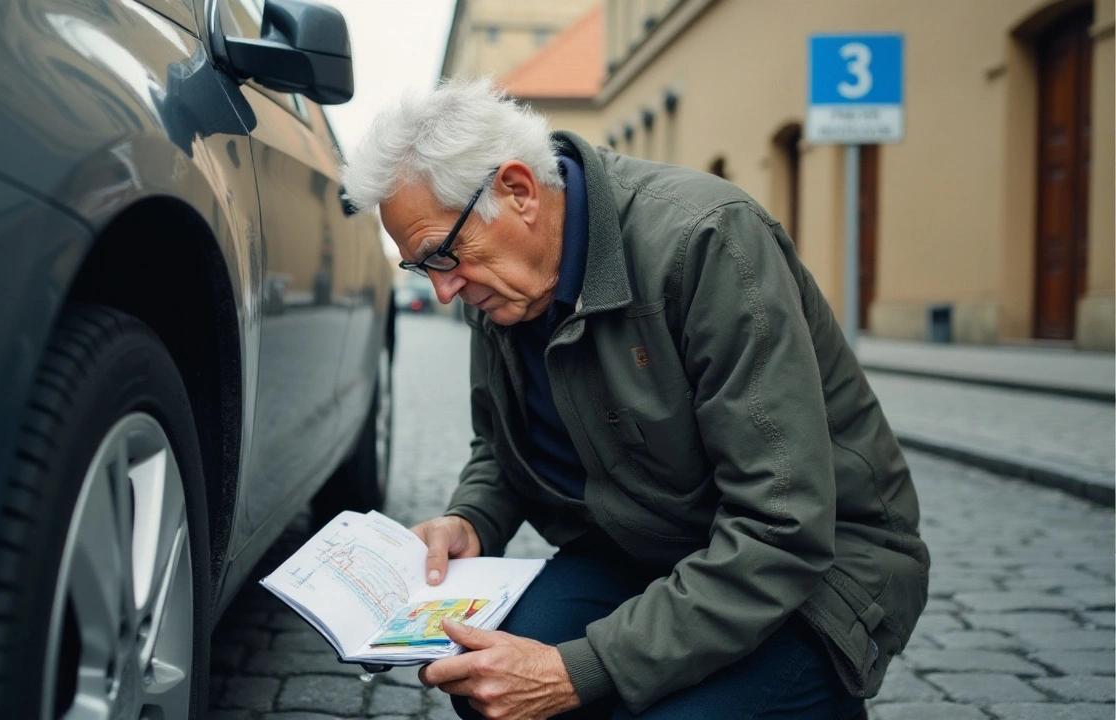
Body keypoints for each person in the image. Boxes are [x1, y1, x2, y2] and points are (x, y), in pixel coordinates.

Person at [340, 79, 929, 720]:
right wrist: (472, 519)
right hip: (636, 549)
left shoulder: (706, 240)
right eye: (421, 268)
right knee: (487, 690)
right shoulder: (502, 281)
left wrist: (581, 670)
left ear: (517, 191)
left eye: (442, 256)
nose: (444, 291)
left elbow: (780, 526)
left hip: (810, 578)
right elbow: (501, 445)